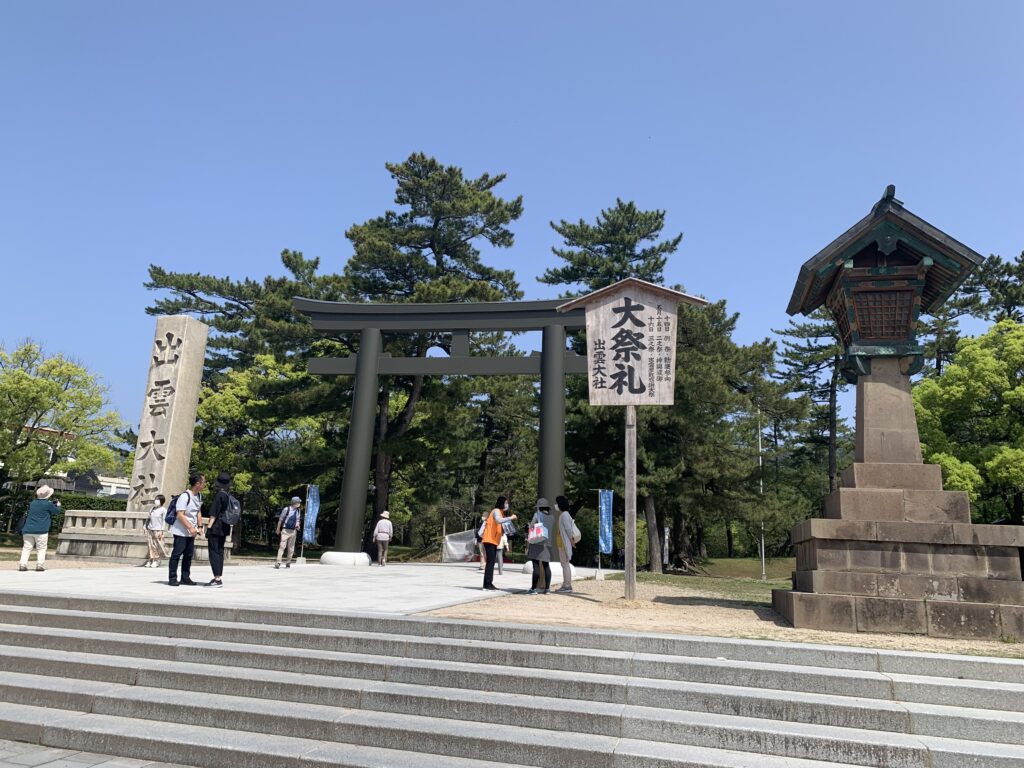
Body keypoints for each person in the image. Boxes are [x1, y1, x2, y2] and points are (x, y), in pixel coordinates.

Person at [168, 472, 205, 586]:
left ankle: (185, 577)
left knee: (188, 555)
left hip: (191, 531)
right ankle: (172, 578)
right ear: (197, 484)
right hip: (181, 530)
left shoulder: (198, 496)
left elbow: (198, 511)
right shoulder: (185, 496)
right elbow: (180, 514)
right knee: (176, 554)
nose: (204, 485)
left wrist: (200, 526)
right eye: (203, 482)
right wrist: (190, 527)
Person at [19, 485, 61, 572]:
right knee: (41, 548)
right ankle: (39, 565)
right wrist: (58, 505)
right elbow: (56, 511)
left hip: (28, 529)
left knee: (26, 548)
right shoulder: (48, 504)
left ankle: (23, 565)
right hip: (41, 530)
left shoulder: (32, 503)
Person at [204, 472, 233, 588]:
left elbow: (213, 514)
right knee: (220, 551)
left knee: (213, 551)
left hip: (216, 526)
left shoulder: (219, 495)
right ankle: (219, 576)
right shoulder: (228, 496)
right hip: (225, 526)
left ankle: (217, 579)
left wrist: (209, 527)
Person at [481, 496, 516, 590]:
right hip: (489, 539)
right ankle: (487, 584)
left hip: (493, 540)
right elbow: (498, 520)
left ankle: (488, 583)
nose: (507, 505)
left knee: (491, 562)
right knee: (490, 562)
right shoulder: (496, 511)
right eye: (506, 502)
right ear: (501, 503)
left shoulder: (500, 513)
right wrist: (511, 517)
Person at [526, 497, 556, 595]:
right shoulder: (552, 517)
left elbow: (531, 526)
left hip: (536, 543)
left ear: (539, 507)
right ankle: (547, 589)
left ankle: (533, 588)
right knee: (546, 566)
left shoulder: (537, 514)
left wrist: (529, 526)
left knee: (536, 566)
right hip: (547, 544)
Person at [554, 495, 576, 592]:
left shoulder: (564, 515)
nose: (555, 505)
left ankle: (567, 585)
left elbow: (568, 529)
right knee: (564, 564)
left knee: (565, 564)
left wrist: (571, 541)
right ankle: (566, 584)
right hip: (562, 543)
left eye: (557, 503)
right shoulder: (564, 514)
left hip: (564, 544)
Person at [275, 496, 302, 569]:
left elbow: (298, 520)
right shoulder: (286, 509)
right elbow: (280, 519)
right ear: (294, 503)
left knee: (291, 548)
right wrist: (278, 529)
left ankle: (288, 562)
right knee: (282, 546)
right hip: (285, 530)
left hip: (293, 531)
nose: (299, 503)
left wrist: (298, 525)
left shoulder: (298, 510)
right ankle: (278, 562)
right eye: (298, 502)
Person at [145, 495, 167, 568]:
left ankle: (156, 560)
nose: (156, 501)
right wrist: (145, 526)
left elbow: (164, 521)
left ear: (161, 501)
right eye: (155, 499)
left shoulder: (163, 510)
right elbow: (148, 519)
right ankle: (151, 559)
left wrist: (162, 530)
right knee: (150, 545)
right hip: (150, 529)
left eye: (158, 499)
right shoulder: (152, 509)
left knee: (157, 545)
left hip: (158, 530)